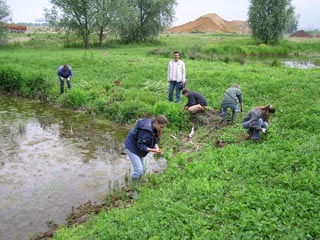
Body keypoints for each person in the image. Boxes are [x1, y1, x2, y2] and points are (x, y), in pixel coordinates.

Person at [124, 115, 169, 199]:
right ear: (156, 123)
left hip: (138, 147)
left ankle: (138, 187)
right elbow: (141, 146)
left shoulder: (154, 128)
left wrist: (157, 148)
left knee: (142, 168)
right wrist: (154, 150)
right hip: (131, 146)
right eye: (161, 127)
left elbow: (154, 140)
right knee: (139, 169)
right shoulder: (146, 130)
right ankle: (133, 192)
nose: (162, 129)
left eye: (163, 127)